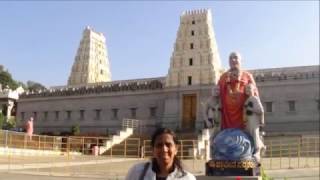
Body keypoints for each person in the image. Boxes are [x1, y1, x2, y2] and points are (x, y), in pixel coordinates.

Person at [125, 128, 196, 180]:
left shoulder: (187, 178)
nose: (164, 149)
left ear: (176, 149)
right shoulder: (137, 172)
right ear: (153, 149)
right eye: (159, 145)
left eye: (168, 145)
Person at [218, 52, 258, 130]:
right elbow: (217, 93)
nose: (233, 60)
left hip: (244, 113)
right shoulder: (223, 77)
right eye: (230, 58)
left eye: (235, 57)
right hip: (227, 116)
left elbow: (255, 94)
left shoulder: (248, 76)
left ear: (241, 61)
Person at [244, 83, 266, 163]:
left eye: (249, 88)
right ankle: (262, 147)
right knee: (250, 135)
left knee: (254, 134)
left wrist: (251, 109)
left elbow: (261, 110)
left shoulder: (255, 98)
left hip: (254, 119)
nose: (248, 90)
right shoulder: (248, 99)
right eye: (246, 89)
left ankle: (257, 152)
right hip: (248, 120)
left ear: (253, 90)